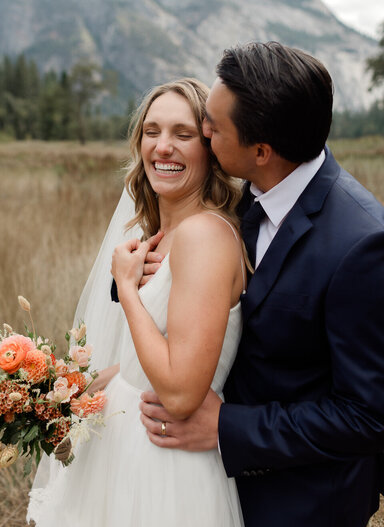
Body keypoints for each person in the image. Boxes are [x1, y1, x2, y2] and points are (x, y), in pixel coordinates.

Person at [140, 42, 384, 527]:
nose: (203, 133)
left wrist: (230, 427)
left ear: (261, 151)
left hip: (302, 504)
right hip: (211, 488)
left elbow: (367, 417)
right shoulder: (241, 200)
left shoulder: (361, 245)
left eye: (213, 126)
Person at [26, 78, 246, 526]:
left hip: (166, 468)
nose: (163, 147)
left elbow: (181, 393)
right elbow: (140, 365)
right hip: (123, 446)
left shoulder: (205, 236)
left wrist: (127, 290)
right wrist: (58, 394)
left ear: (210, 147)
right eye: (152, 131)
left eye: (183, 134)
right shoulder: (157, 239)